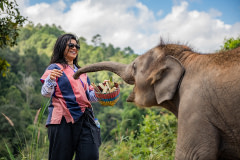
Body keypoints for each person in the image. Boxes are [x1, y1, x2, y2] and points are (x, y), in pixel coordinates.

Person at [40, 33, 101, 160]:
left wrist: (101, 91)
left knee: (90, 155)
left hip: (85, 119)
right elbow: (46, 93)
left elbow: (89, 96)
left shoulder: (82, 72)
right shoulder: (55, 68)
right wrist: (51, 79)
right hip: (62, 120)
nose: (75, 48)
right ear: (62, 47)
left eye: (77, 46)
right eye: (71, 45)